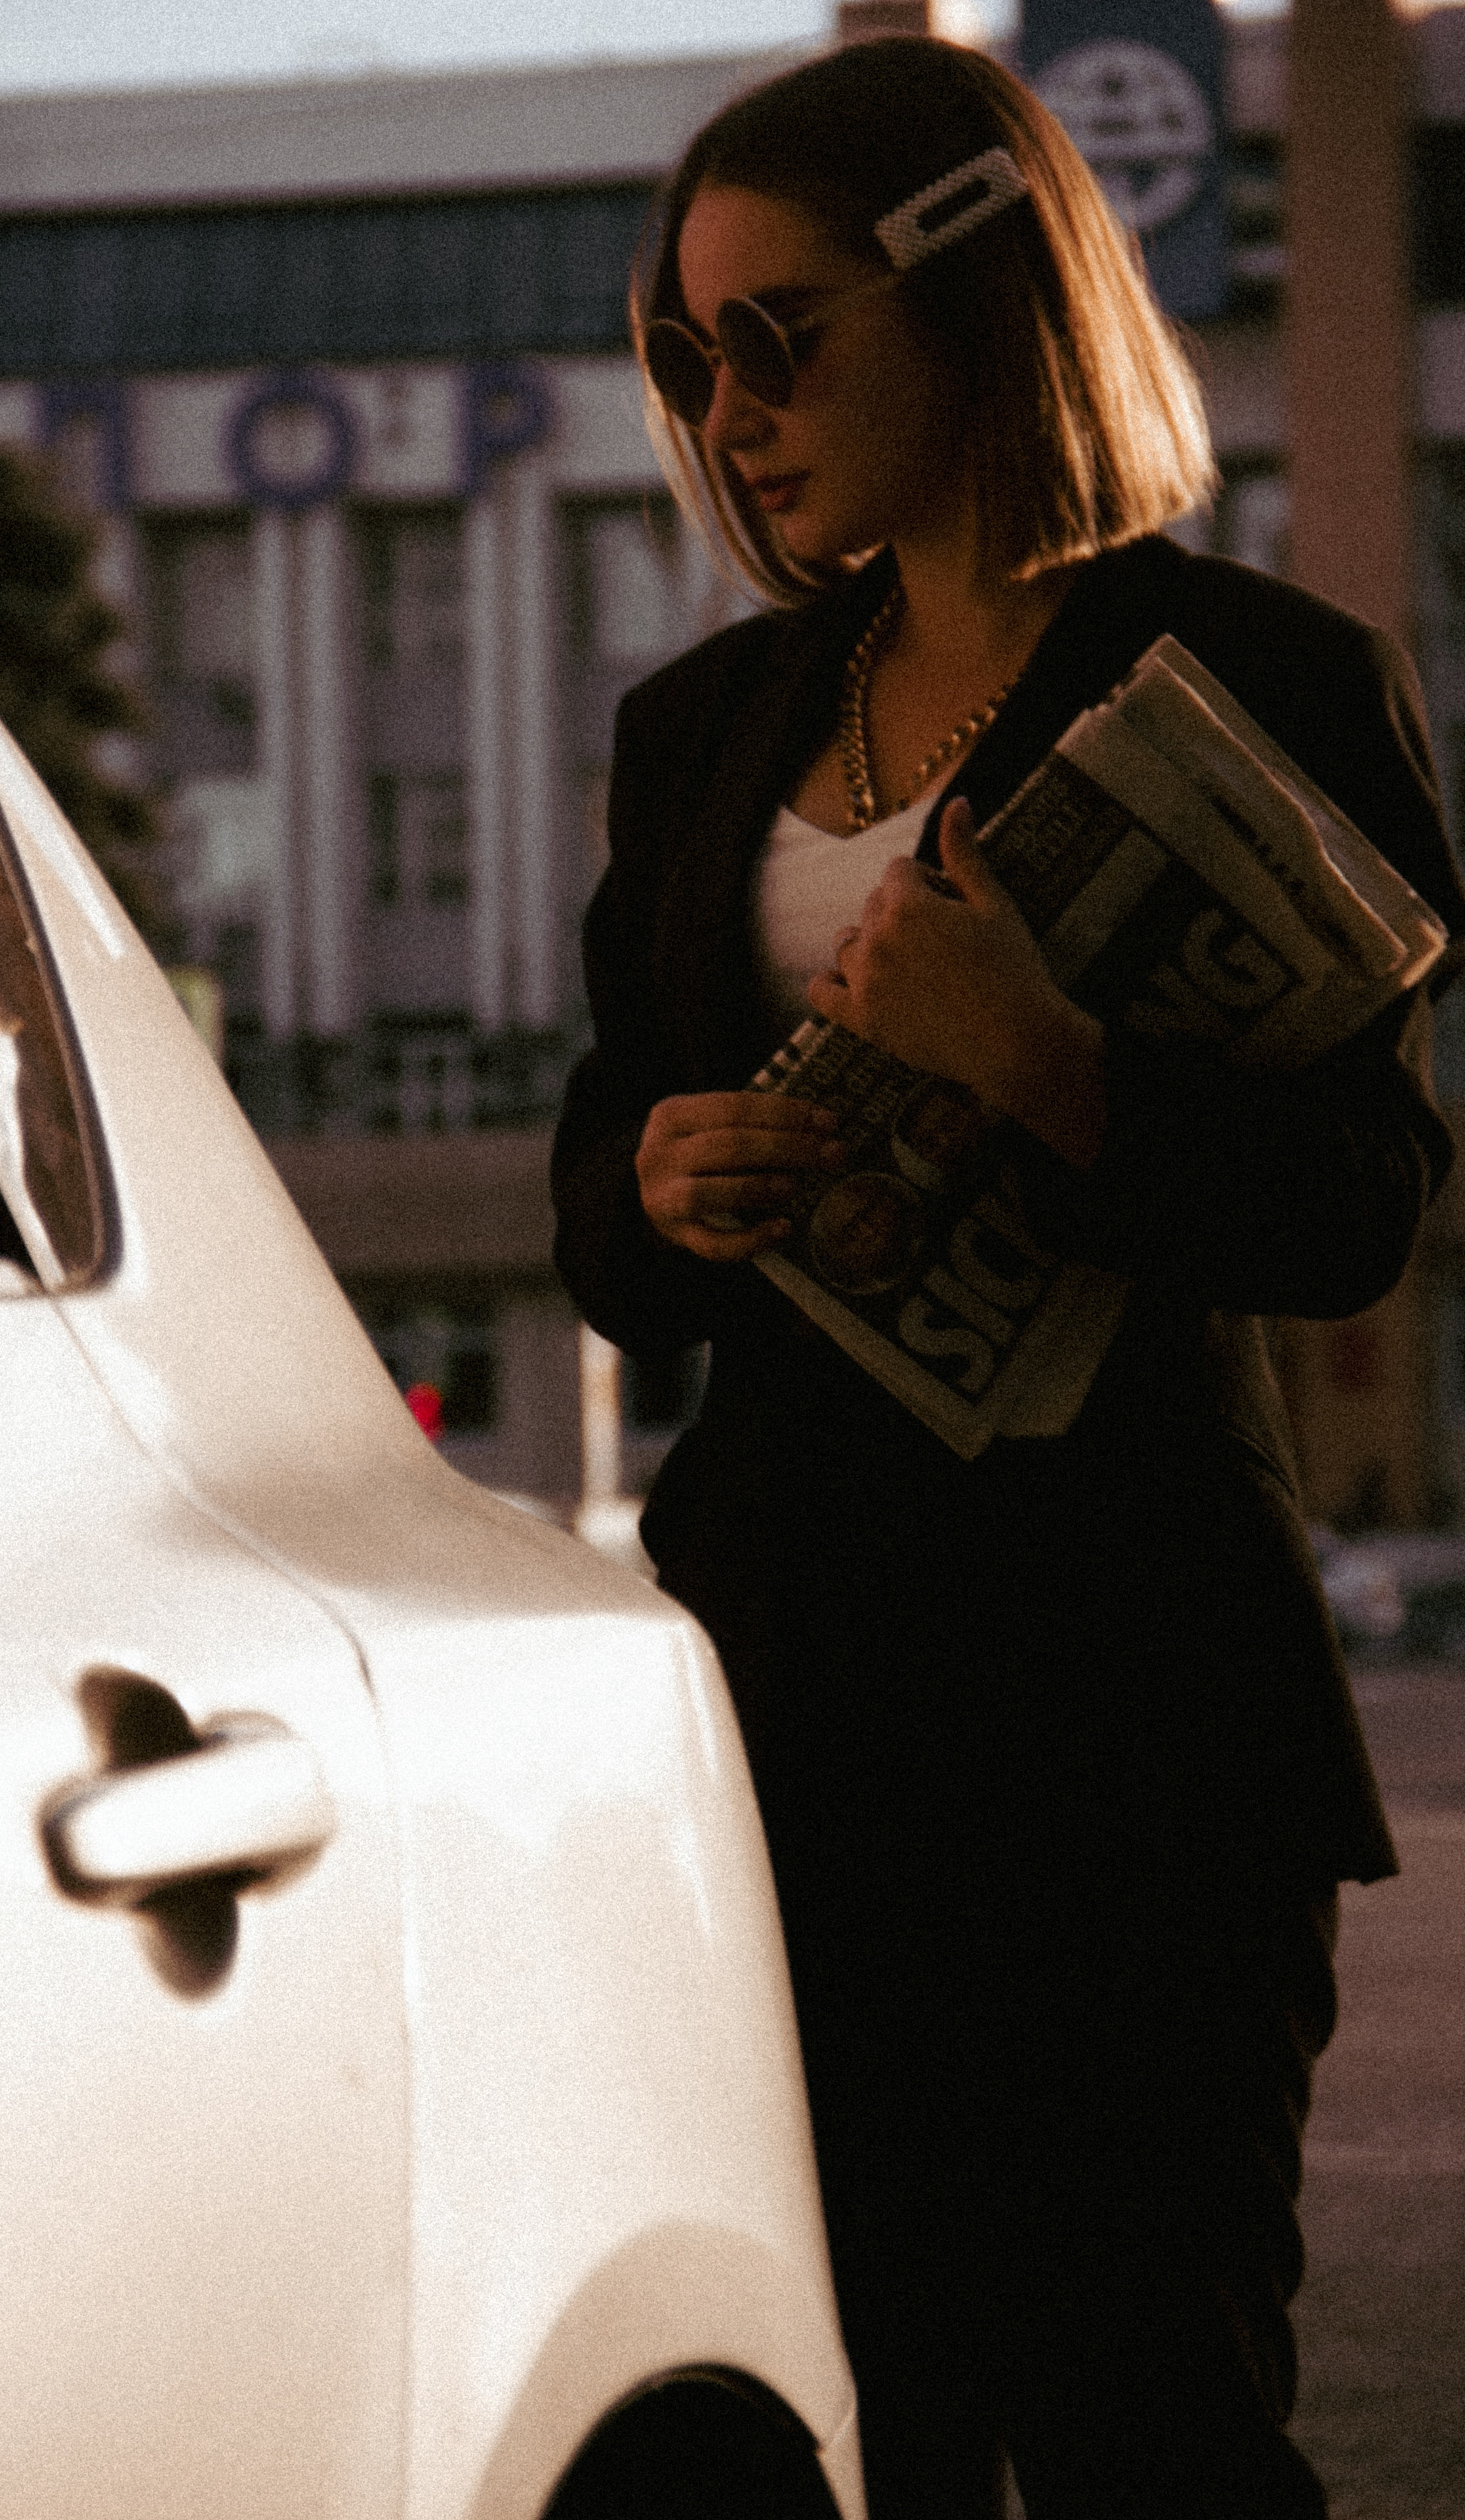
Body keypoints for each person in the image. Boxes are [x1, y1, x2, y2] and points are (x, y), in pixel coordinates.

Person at [550, 35, 1465, 2520]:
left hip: (1137, 1712)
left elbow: (1360, 1207)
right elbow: (592, 1196)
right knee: (873, 2417)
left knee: (1160, 2420)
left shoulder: (1265, 679)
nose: (726, 414)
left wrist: (1055, 1075)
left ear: (988, 295)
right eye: (682, 355)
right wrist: (664, 1182)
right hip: (795, 1697)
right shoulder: (701, 727)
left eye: (782, 335)